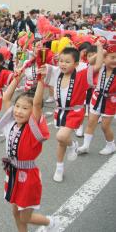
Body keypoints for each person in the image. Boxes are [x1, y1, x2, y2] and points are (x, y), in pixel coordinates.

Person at [0, 69, 60, 232]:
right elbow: (5, 98)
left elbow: (38, 104)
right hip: (12, 172)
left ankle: (50, 223)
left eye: (25, 108)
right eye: (17, 106)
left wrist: (40, 80)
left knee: (25, 216)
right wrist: (17, 78)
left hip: (28, 175)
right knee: (15, 212)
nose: (18, 110)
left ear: (32, 113)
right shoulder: (11, 124)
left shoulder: (32, 129)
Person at [41, 45, 103, 182]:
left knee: (61, 136)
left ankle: (72, 145)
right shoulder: (56, 72)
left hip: (74, 112)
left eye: (67, 61)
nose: (63, 64)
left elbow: (98, 65)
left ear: (76, 64)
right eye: (61, 60)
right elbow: (41, 67)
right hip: (60, 111)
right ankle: (59, 168)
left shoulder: (82, 75)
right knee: (61, 141)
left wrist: (100, 48)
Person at [78, 44, 116, 155]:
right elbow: (90, 61)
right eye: (112, 57)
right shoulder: (101, 66)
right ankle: (85, 146)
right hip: (97, 96)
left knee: (105, 126)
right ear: (104, 58)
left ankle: (111, 145)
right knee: (91, 122)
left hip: (111, 100)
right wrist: (101, 52)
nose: (115, 60)